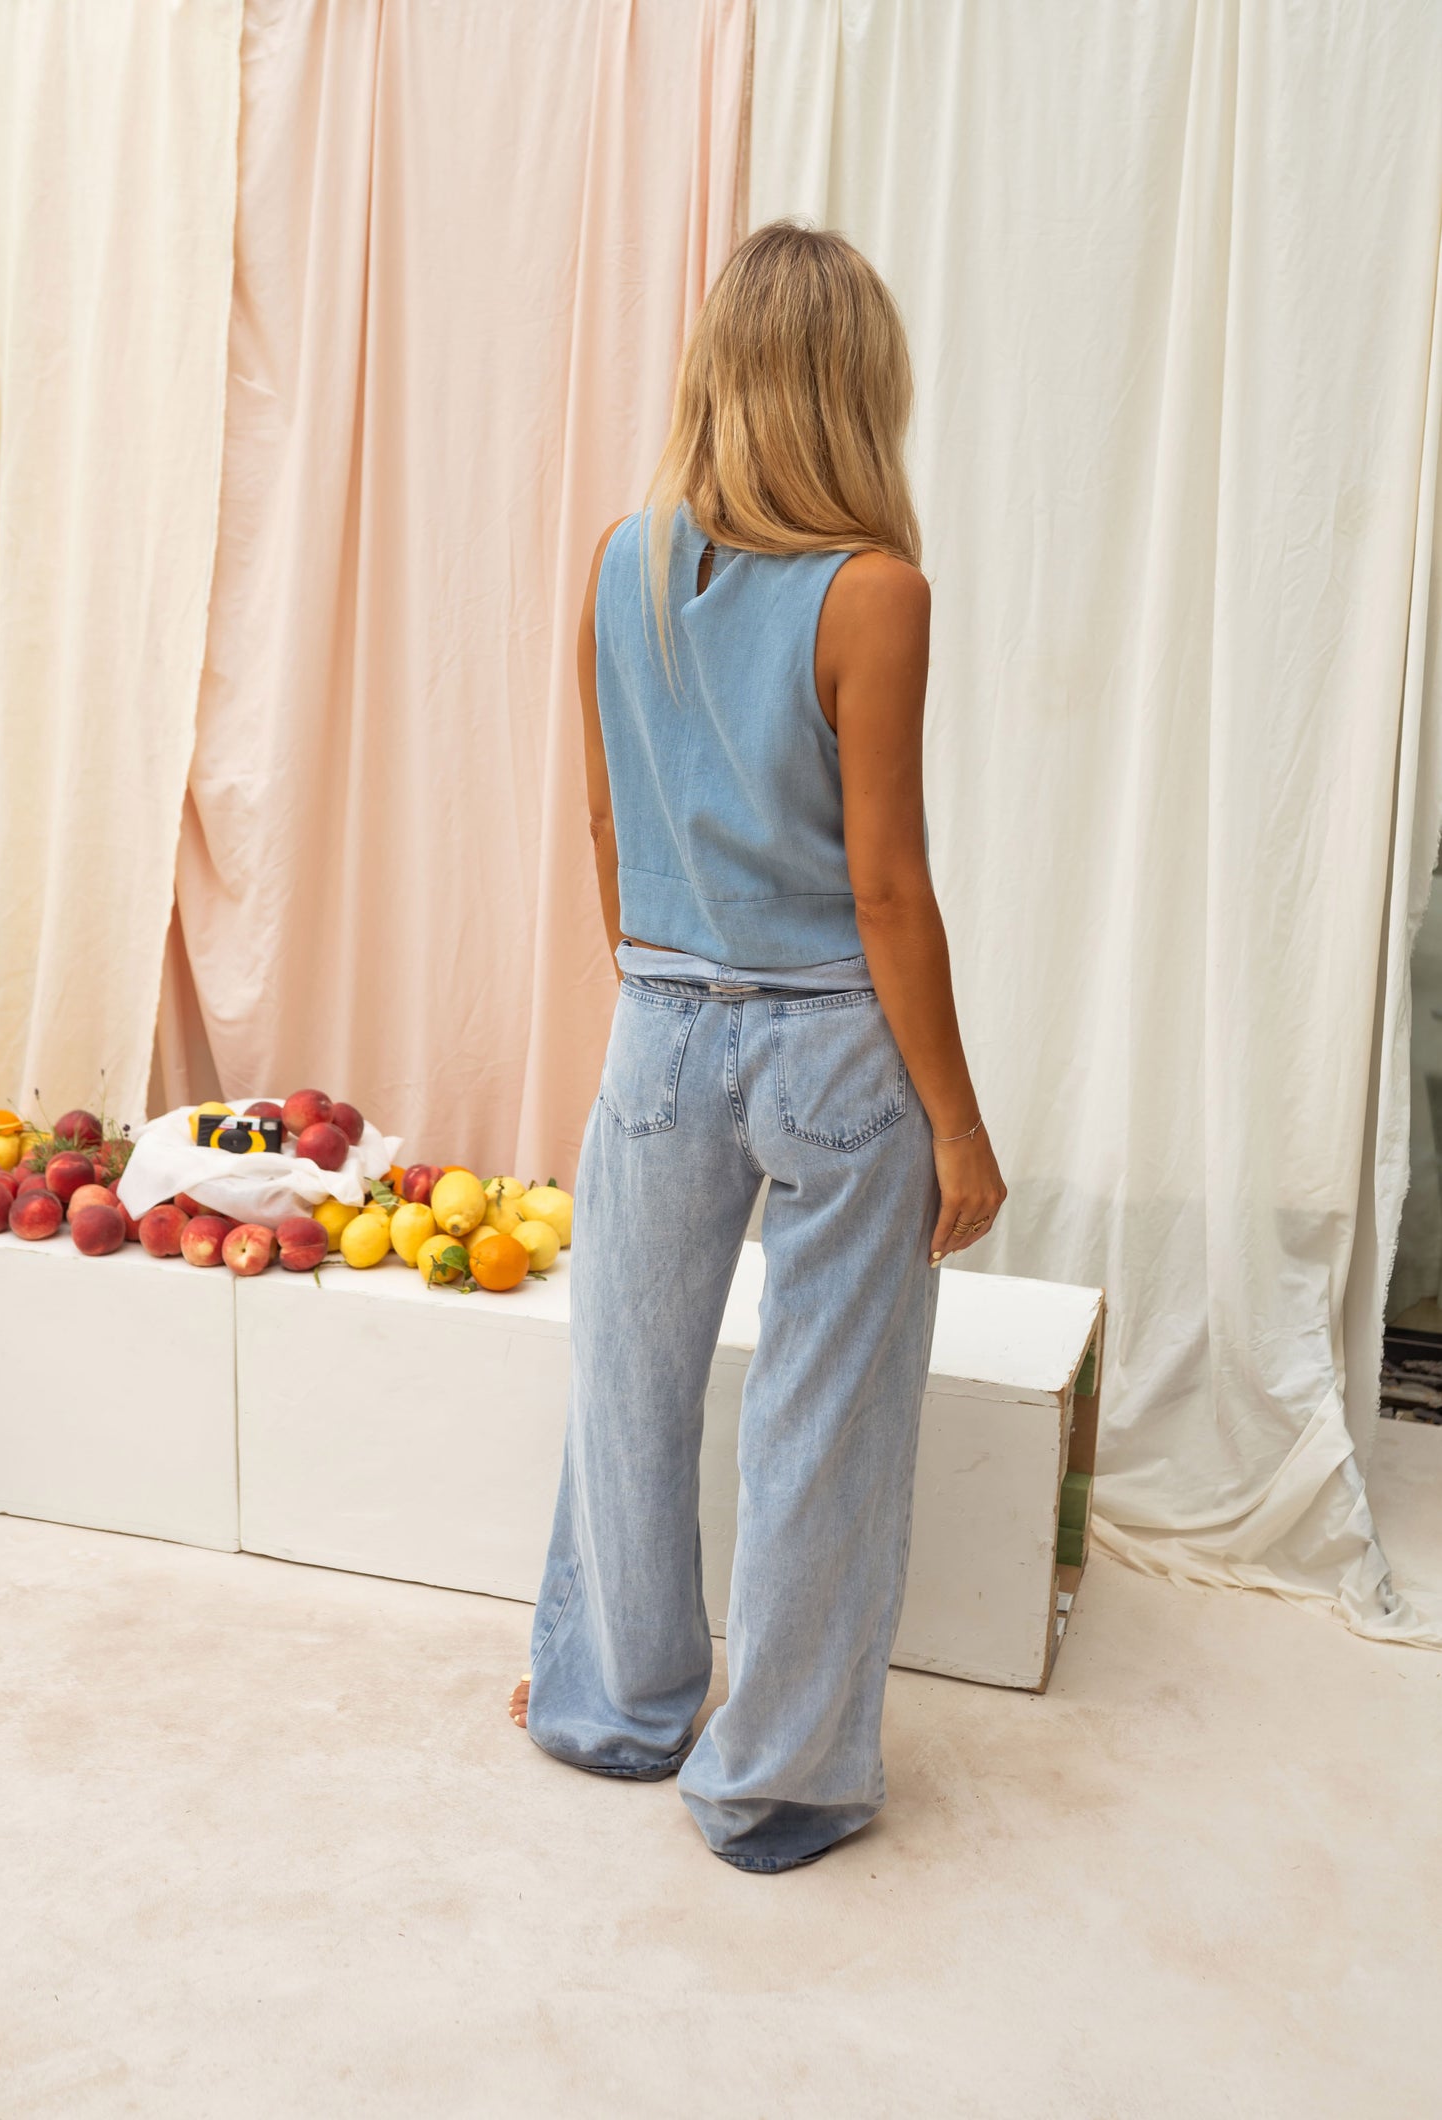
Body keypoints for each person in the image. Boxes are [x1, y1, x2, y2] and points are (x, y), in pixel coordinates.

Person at [508, 220, 1006, 1873]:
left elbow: (603, 824)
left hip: (655, 1027)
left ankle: (611, 1704)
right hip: (831, 1052)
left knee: (625, 1385)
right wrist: (956, 1124)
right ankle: (776, 1782)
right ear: (858, 388)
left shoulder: (620, 561)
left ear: (715, 373)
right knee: (822, 1414)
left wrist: (665, 985)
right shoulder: (876, 592)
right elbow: (886, 889)